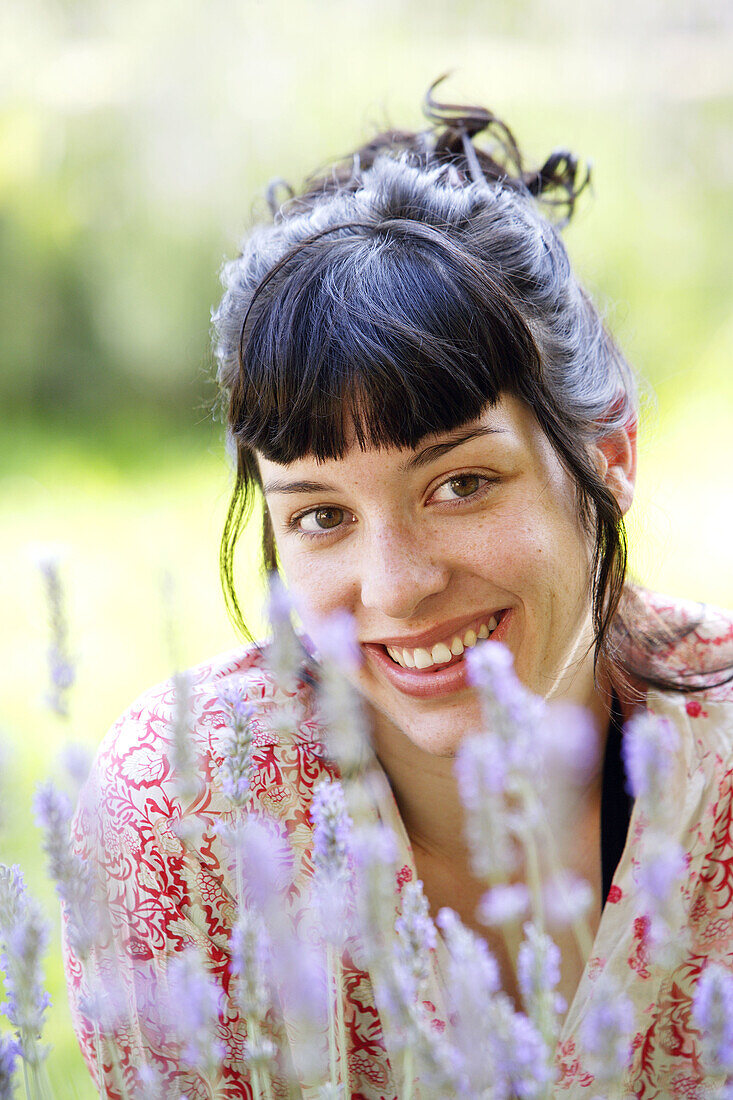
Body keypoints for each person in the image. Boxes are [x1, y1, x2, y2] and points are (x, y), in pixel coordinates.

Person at [64, 84, 733, 1098]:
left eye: (460, 483)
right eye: (322, 514)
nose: (397, 586)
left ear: (610, 451)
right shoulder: (182, 812)